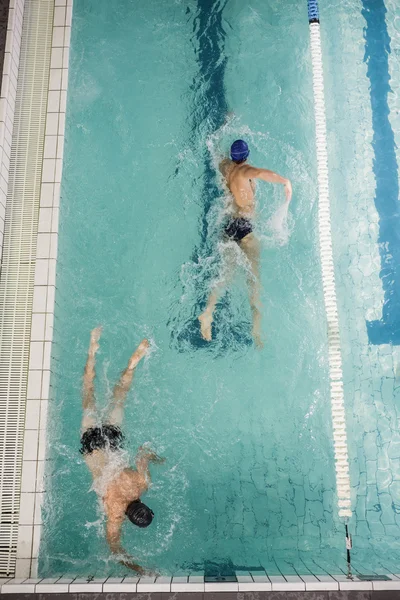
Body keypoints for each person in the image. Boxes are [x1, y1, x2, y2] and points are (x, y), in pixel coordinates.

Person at [80, 326, 164, 575]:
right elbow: (114, 549)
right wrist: (138, 568)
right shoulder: (114, 513)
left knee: (119, 398)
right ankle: (92, 351)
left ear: (147, 506)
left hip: (113, 441)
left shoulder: (141, 483)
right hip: (92, 447)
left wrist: (159, 459)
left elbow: (143, 453)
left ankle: (130, 365)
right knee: (89, 395)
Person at [198, 139, 292, 348]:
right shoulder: (244, 171)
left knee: (225, 274)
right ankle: (256, 330)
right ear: (247, 156)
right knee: (254, 283)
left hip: (230, 224)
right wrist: (285, 181)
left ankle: (208, 312)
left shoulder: (227, 167)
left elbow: (216, 153)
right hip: (245, 229)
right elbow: (260, 173)